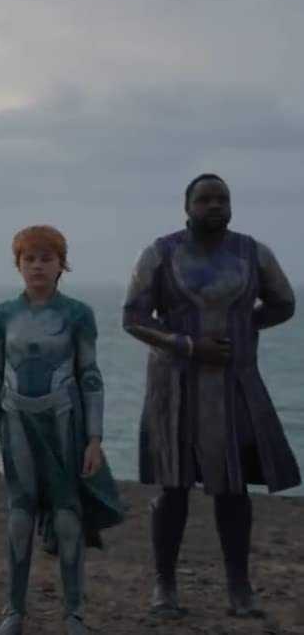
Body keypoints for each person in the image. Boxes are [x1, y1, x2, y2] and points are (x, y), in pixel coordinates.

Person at [123, 173, 297, 619]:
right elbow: (134, 317)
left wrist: (244, 327)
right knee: (174, 486)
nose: (215, 205)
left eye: (222, 198)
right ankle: (164, 585)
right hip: (174, 385)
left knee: (233, 488)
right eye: (205, 199)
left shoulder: (253, 253)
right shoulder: (160, 253)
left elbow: (284, 303)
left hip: (233, 383)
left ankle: (240, 587)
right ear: (187, 207)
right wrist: (187, 345)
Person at [0, 225, 124, 635]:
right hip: (16, 422)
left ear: (61, 264)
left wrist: (95, 438)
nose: (37, 266)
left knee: (67, 517)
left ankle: (74, 613)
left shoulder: (78, 314)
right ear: (18, 265)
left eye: (46, 258)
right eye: (29, 259)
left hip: (65, 423)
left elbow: (90, 375)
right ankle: (13, 612)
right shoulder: (3, 315)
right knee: (19, 516)